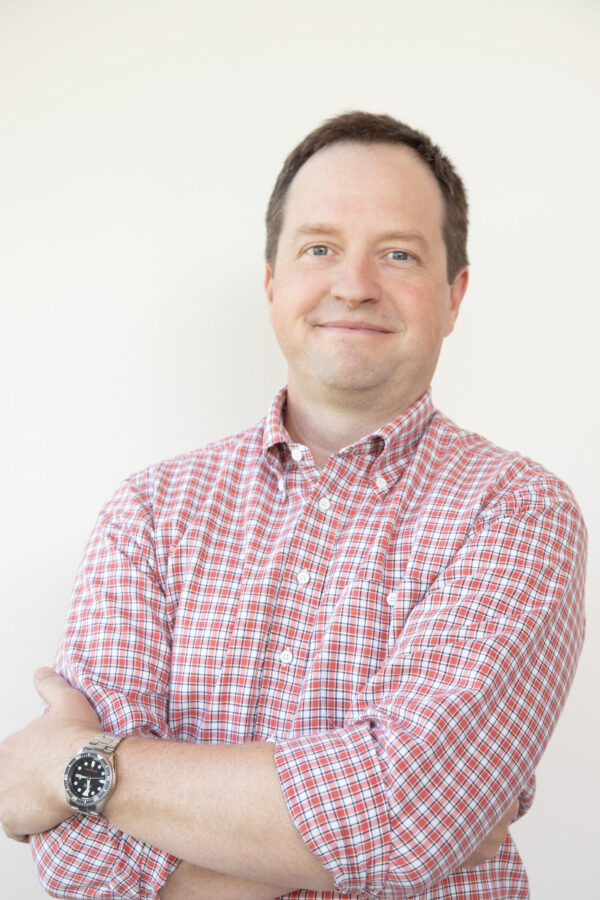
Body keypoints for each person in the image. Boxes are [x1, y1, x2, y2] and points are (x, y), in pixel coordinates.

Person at [0, 112, 586, 899]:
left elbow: (398, 815)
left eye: (399, 254)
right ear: (273, 281)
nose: (354, 284)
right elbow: (84, 866)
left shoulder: (519, 511)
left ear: (454, 296)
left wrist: (76, 766)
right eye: (320, 248)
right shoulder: (149, 512)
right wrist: (370, 845)